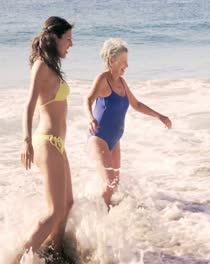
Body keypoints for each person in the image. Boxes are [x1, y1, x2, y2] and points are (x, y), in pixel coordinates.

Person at [84, 38, 172, 208]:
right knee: (108, 184)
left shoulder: (122, 83)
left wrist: (160, 116)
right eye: (123, 62)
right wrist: (90, 118)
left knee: (114, 184)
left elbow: (136, 104)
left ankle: (107, 216)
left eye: (127, 61)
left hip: (114, 140)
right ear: (112, 61)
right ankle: (98, 219)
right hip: (99, 137)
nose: (127, 66)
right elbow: (87, 99)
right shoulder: (103, 79)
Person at [18, 16, 74, 261]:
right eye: (68, 39)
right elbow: (29, 105)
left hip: (58, 145)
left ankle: (56, 253)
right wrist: (26, 141)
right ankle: (17, 258)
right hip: (46, 142)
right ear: (55, 37)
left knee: (68, 204)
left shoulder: (51, 66)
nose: (71, 44)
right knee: (54, 211)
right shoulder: (40, 65)